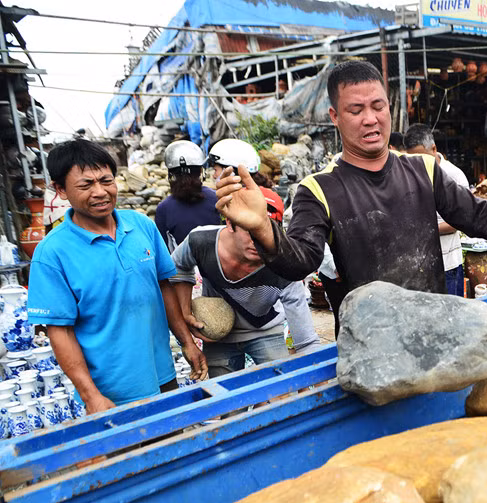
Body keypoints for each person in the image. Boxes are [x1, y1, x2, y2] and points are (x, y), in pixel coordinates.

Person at [214, 60, 487, 329]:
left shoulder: (422, 170)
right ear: (334, 116)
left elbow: (478, 215)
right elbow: (302, 260)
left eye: (378, 107)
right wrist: (263, 227)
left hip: (432, 327)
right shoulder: (318, 189)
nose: (370, 119)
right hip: (369, 341)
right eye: (355, 110)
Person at [26, 139, 206, 413]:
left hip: (163, 377)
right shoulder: (52, 254)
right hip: (110, 395)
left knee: (172, 447)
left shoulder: (141, 225)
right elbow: (59, 331)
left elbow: (163, 288)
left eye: (106, 180)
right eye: (86, 185)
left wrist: (187, 343)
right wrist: (91, 396)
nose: (100, 192)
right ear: (60, 190)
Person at [171, 221, 324, 377]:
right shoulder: (201, 241)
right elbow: (176, 267)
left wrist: (313, 380)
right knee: (225, 397)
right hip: (218, 337)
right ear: (230, 224)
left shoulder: (286, 266)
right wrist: (185, 312)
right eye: (250, 232)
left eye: (265, 232)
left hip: (266, 330)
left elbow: (306, 342)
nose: (257, 241)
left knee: (279, 391)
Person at [404, 123, 471, 296]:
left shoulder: (454, 176)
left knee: (450, 318)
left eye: (421, 158)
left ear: (433, 149)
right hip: (418, 266)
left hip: (447, 264)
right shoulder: (408, 175)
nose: (417, 164)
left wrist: (424, 229)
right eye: (412, 159)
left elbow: (461, 222)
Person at [155, 140, 221, 250]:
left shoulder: (163, 209)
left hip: (183, 266)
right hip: (220, 264)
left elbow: (165, 253)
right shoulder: (217, 198)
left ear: (170, 174)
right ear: (201, 171)